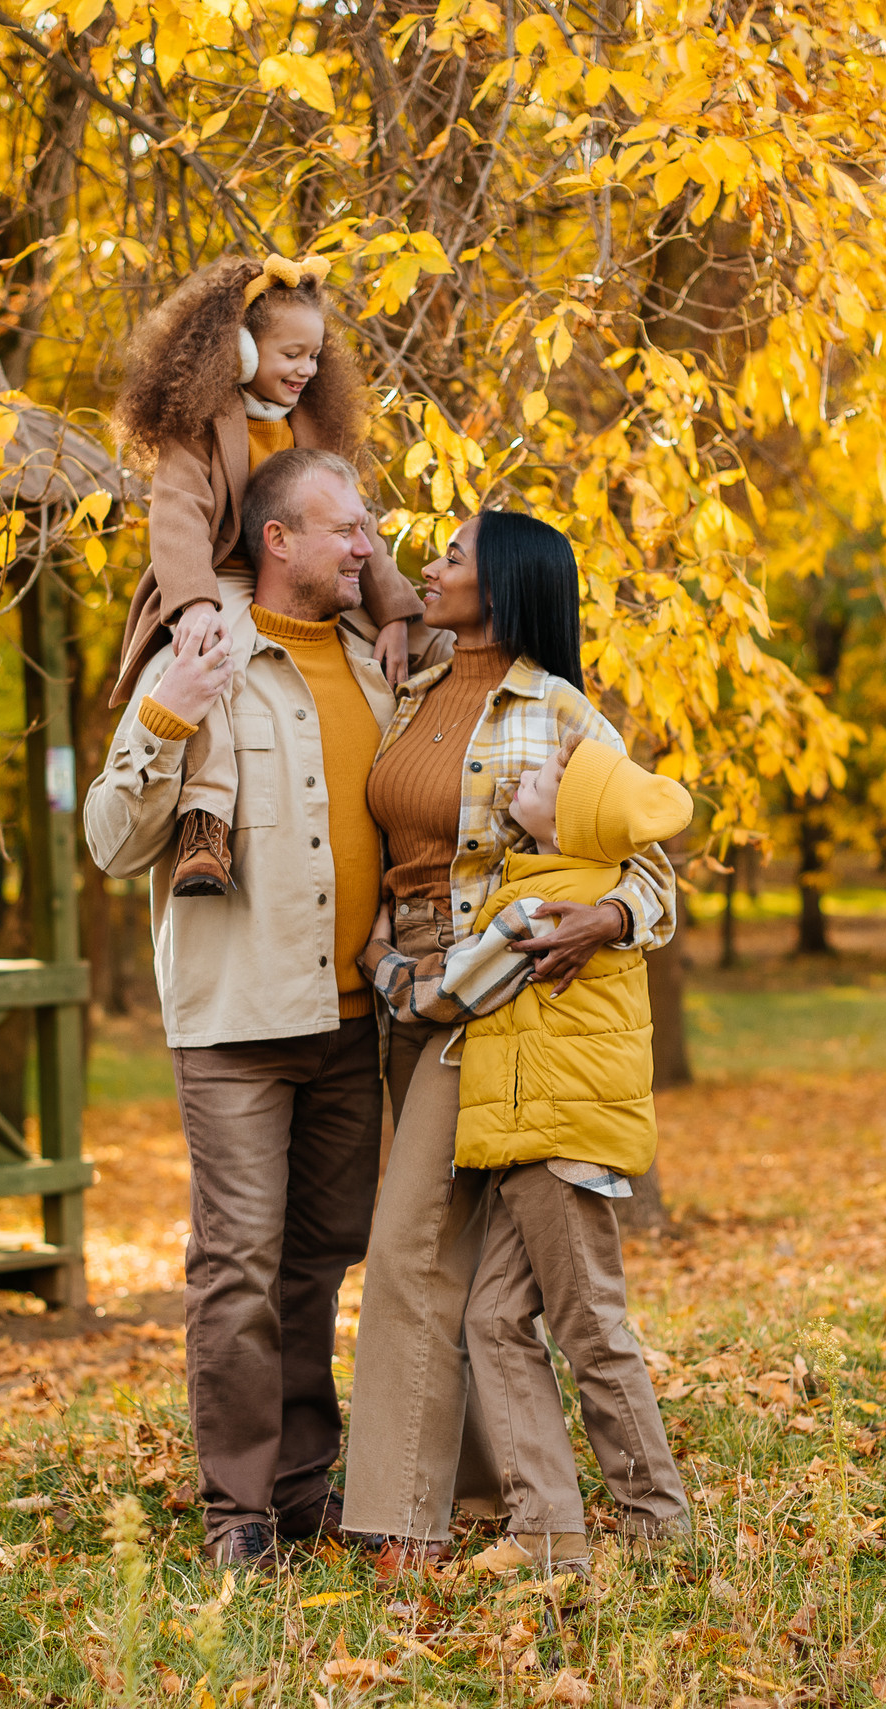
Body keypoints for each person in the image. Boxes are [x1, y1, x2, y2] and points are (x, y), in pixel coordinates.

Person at [82, 446, 445, 1570]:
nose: (367, 546)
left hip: (353, 1021)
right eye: (346, 529)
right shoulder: (203, 650)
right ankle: (235, 1511)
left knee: (318, 1260)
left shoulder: (378, 662)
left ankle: (299, 1487)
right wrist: (166, 716)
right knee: (238, 1265)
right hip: (237, 1022)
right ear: (277, 539)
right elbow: (110, 841)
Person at [339, 509, 679, 1571]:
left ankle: (400, 1518)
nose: (430, 564)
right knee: (475, 1278)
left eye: (452, 553)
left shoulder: (562, 712)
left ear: (504, 582)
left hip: (477, 996)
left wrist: (605, 917)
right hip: (401, 989)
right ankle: (504, 1502)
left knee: (408, 1245)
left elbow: (652, 871)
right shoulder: (408, 686)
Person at [107, 253, 421, 898]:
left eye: (315, 356)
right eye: (291, 354)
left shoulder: (312, 424)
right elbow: (178, 515)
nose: (306, 369)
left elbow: (354, 524)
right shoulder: (200, 424)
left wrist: (394, 613)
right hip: (220, 573)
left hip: (303, 569)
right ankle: (206, 818)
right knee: (213, 659)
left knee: (409, 651)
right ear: (241, 351)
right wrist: (194, 603)